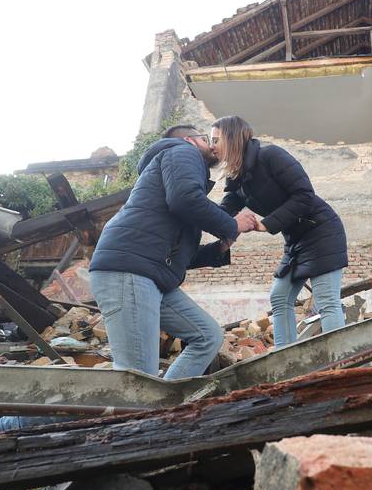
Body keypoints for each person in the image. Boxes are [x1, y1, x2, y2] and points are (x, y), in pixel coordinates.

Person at [88, 124, 257, 378]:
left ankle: (165, 406)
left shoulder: (176, 175)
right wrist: (232, 224)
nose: (212, 145)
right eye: (205, 138)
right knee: (137, 379)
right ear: (190, 140)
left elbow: (172, 253)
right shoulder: (182, 151)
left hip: (152, 275)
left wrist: (217, 249)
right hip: (129, 272)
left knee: (207, 336)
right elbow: (185, 200)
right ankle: (21, 420)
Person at [211, 116, 348, 347]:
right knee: (280, 297)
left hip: (321, 231)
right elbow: (225, 209)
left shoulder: (270, 155)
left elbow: (305, 195)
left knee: (326, 302)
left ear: (233, 138)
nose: (212, 145)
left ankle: (343, 365)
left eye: (216, 140)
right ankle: (286, 358)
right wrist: (203, 215)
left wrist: (267, 224)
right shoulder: (238, 176)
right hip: (295, 239)